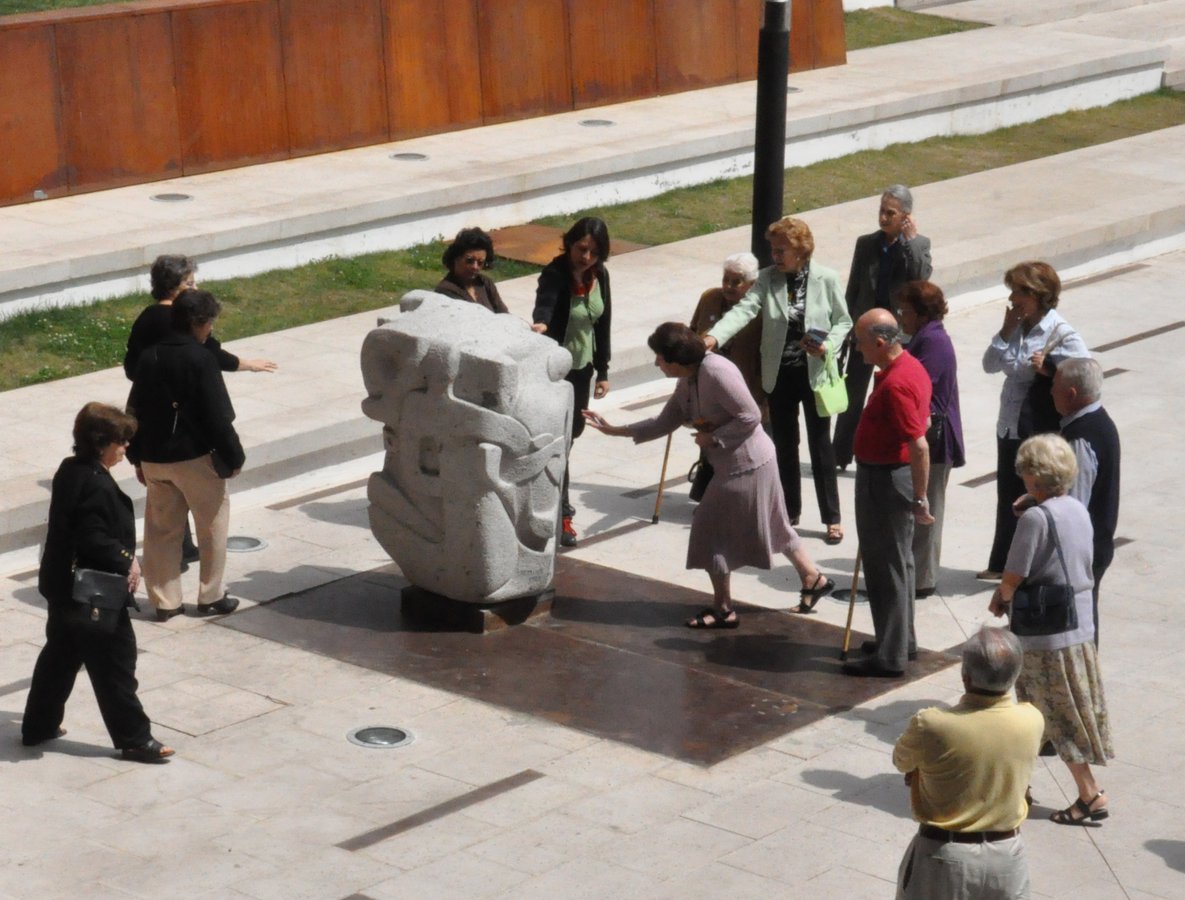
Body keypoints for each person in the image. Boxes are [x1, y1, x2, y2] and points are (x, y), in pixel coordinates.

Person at [583, 323, 834, 627]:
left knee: (709, 530)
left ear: (677, 359)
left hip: (748, 463)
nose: (656, 363)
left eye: (660, 357)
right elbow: (664, 421)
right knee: (776, 524)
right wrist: (614, 430)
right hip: (739, 463)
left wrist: (715, 438)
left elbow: (751, 415)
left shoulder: (717, 372)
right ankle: (813, 578)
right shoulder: (688, 379)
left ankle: (723, 609)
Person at [22, 402, 175, 763]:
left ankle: (39, 725)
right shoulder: (94, 483)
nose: (125, 448)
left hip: (62, 584)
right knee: (115, 663)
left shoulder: (70, 469)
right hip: (92, 593)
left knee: (60, 657)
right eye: (120, 442)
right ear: (101, 442)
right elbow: (93, 537)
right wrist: (128, 561)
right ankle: (135, 739)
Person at [989, 433, 1114, 826]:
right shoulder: (1075, 508)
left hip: (1045, 636)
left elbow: (1014, 572)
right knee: (1040, 714)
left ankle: (1090, 794)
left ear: (1034, 476)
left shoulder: (1035, 520)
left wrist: (1001, 598)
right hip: (1078, 625)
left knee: (1054, 716)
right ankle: (1018, 786)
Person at [705, 216, 851, 544]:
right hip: (780, 374)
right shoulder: (768, 279)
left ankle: (832, 517)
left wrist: (827, 345)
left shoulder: (826, 278)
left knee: (820, 445)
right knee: (785, 444)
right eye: (773, 249)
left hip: (814, 373)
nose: (775, 256)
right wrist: (714, 337)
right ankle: (789, 511)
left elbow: (844, 321)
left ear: (800, 250)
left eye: (781, 250)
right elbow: (744, 310)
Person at [124, 255, 275, 568]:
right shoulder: (182, 328)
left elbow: (132, 369)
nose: (195, 289)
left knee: (164, 512)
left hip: (153, 430)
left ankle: (175, 559)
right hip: (185, 435)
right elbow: (215, 400)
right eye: (189, 284)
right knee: (206, 514)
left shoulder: (146, 320)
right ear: (174, 288)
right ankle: (204, 579)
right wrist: (246, 365)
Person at [893, 627, 1044, 900]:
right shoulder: (1032, 719)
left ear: (965, 676)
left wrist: (919, 771)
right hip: (1007, 856)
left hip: (945, 856)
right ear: (1015, 675)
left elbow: (901, 760)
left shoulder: (931, 723)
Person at [127, 289, 245, 621]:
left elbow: (133, 411)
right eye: (210, 323)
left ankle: (165, 602)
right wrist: (234, 457)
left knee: (162, 532)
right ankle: (211, 595)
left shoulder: (149, 357)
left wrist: (136, 457)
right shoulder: (201, 358)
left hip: (154, 459)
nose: (211, 329)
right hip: (195, 459)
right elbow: (217, 416)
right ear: (199, 322)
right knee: (211, 527)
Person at [980, 261, 1088, 580]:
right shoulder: (1016, 326)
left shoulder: (1060, 331)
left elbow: (1086, 371)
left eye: (1019, 292)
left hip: (1037, 426)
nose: (1012, 298)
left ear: (1038, 294)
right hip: (1010, 423)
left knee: (1034, 496)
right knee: (1007, 495)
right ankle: (1002, 563)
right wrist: (1005, 330)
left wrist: (1050, 366)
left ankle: (1031, 566)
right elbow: (989, 365)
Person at [843, 310, 934, 678]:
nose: (857, 348)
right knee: (899, 564)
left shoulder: (897, 383)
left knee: (885, 569)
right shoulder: (910, 366)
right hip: (887, 476)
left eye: (860, 342)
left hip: (884, 481)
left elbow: (919, 444)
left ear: (880, 343)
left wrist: (921, 496)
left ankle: (890, 655)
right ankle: (899, 641)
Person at [834, 185, 933, 470]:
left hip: (897, 330)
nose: (883, 217)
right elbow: (854, 286)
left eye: (890, 213)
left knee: (892, 389)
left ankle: (891, 449)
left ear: (906, 216)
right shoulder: (866, 244)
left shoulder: (919, 245)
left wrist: (910, 243)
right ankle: (840, 453)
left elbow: (920, 279)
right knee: (853, 391)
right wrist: (848, 325)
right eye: (881, 211)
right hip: (867, 327)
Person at [532, 217, 612, 548]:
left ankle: (555, 495)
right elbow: (546, 302)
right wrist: (541, 322)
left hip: (583, 368)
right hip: (558, 370)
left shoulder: (600, 275)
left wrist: (603, 370)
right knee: (560, 441)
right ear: (569, 244)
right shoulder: (555, 273)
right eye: (581, 249)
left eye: (594, 252)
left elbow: (603, 322)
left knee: (572, 435)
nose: (586, 257)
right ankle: (562, 515)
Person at [895, 281, 964, 599]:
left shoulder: (934, 342)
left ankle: (922, 580)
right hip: (924, 439)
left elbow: (917, 387)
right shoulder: (923, 337)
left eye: (905, 311)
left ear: (922, 313)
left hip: (934, 441)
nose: (901, 317)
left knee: (927, 510)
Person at [1053, 358, 1120, 646]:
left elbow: (1074, 508)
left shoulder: (1081, 438)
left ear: (1071, 394)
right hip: (1095, 544)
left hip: (1082, 552)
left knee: (1078, 628)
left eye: (1054, 386)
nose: (1050, 392)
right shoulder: (1098, 422)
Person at [690, 252, 764, 417]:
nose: (728, 286)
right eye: (725, 279)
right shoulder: (709, 298)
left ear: (752, 284)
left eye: (736, 282)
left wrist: (762, 398)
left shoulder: (761, 313)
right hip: (708, 388)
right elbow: (693, 331)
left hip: (746, 391)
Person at [433, 227, 510, 314]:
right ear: (456, 258)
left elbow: (504, 314)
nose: (475, 267)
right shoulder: (445, 291)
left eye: (480, 263)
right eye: (469, 261)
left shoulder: (485, 283)